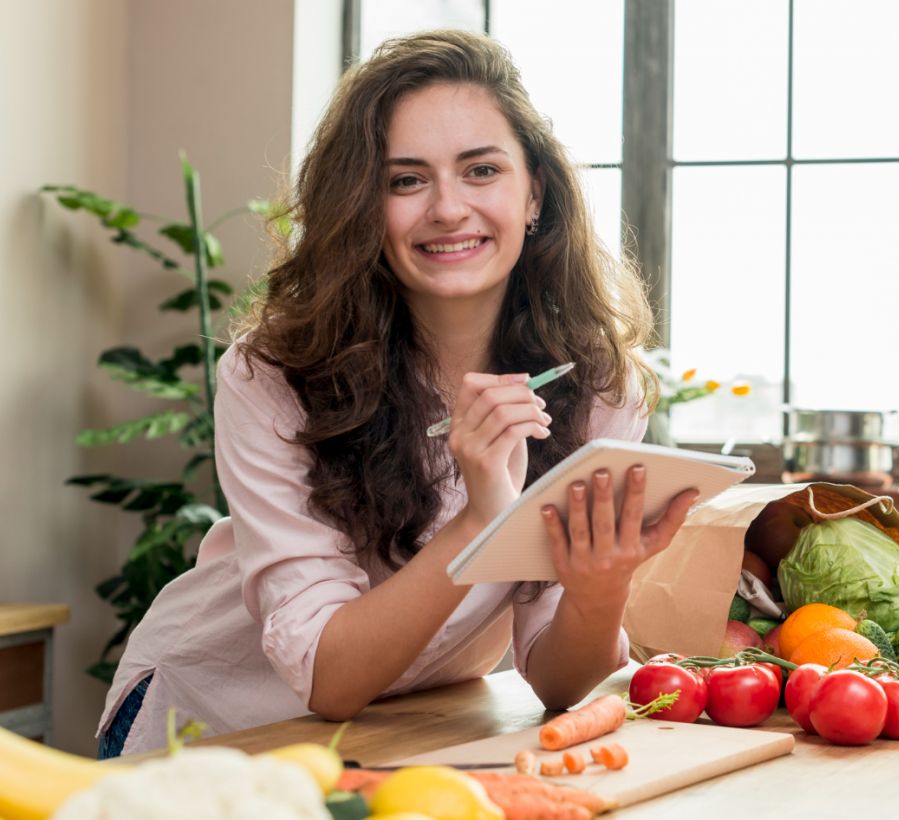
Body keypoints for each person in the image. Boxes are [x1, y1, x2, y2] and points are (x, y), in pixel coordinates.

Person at [96, 29, 696, 758]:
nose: (447, 208)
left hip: (397, 737)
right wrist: (481, 519)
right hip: (216, 729)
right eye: (405, 180)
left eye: (481, 170)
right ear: (363, 208)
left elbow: (563, 684)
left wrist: (600, 589)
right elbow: (328, 678)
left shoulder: (599, 386)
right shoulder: (273, 374)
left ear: (533, 190)